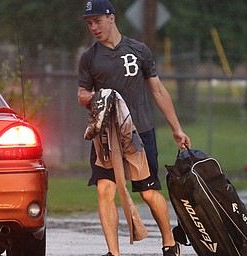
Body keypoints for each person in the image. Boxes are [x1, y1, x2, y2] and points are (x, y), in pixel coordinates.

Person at [77, 0, 191, 255]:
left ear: (111, 18)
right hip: (106, 135)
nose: (93, 27)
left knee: (148, 192)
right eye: (89, 23)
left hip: (140, 131)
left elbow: (159, 90)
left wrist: (177, 129)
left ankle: (170, 243)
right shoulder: (89, 58)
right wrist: (97, 97)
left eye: (97, 21)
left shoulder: (139, 50)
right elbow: (82, 94)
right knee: (105, 189)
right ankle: (113, 253)